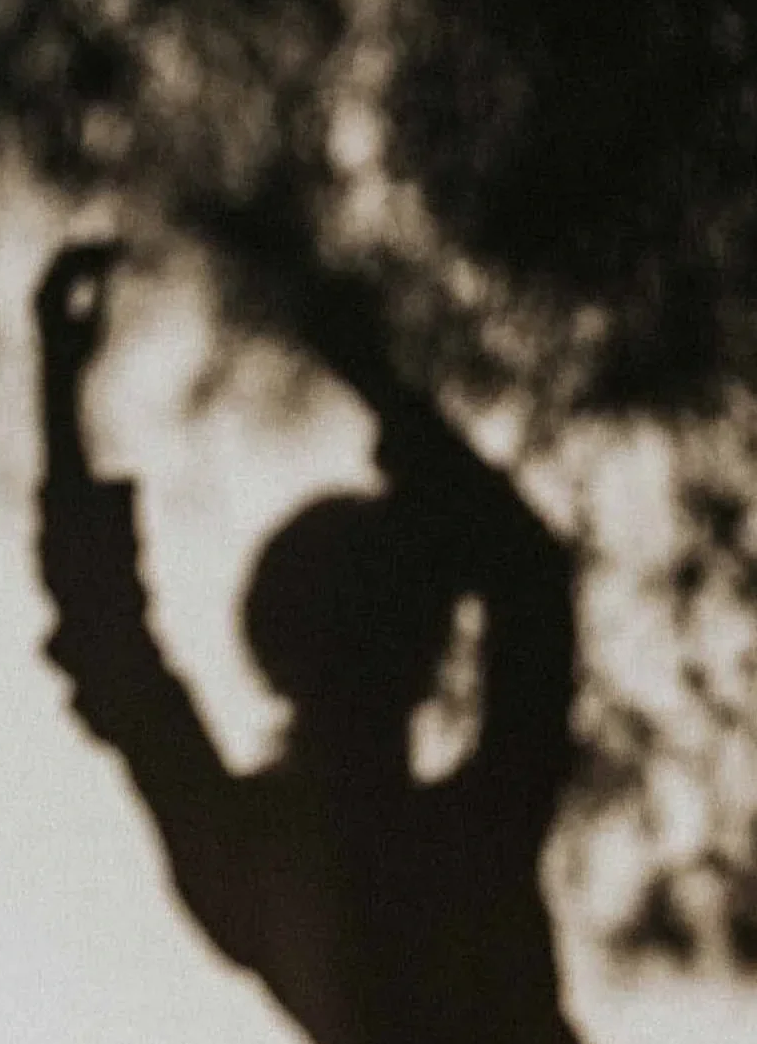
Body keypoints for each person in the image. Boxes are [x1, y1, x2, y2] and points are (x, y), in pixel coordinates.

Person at [35, 242, 581, 1044]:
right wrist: (375, 377)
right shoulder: (478, 833)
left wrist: (58, 387)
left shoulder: (253, 865)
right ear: (427, 654)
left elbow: (114, 651)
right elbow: (529, 583)